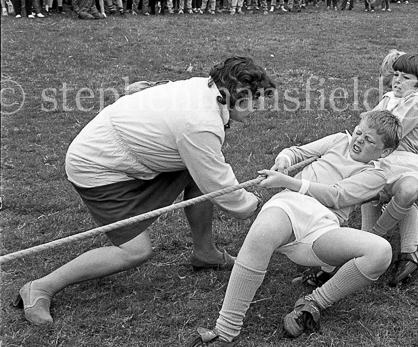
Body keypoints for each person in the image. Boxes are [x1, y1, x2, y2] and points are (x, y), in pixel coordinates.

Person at [15, 57, 276, 326]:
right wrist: (257, 203)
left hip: (127, 156)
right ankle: (40, 287)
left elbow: (209, 177)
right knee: (135, 251)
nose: (259, 106)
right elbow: (221, 186)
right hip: (97, 167)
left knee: (198, 175)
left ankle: (205, 253)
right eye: (253, 99)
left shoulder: (204, 88)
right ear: (231, 94)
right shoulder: (200, 123)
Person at [185, 110, 402, 345]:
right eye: (359, 132)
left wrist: (287, 181)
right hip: (290, 204)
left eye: (369, 140)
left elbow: (336, 195)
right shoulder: (339, 140)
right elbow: (296, 152)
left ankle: (314, 302)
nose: (358, 140)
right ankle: (226, 331)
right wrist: (284, 161)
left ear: (385, 151)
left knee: (381, 251)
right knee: (261, 235)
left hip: (324, 226)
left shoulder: (377, 174)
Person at [360, 54, 418, 284]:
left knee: (407, 192)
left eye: (405, 77)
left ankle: (374, 236)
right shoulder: (388, 98)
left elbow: (389, 132)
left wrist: (370, 125)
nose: (397, 80)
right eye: (396, 75)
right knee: (367, 191)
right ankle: (375, 245)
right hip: (381, 159)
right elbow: (367, 124)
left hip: (403, 163)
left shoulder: (416, 103)